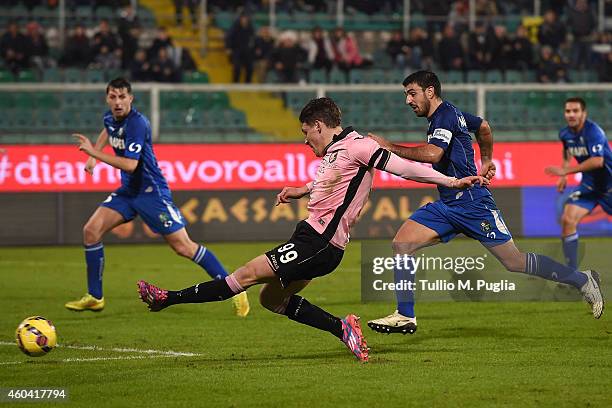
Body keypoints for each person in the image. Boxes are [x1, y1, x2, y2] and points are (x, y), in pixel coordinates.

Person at [137, 97, 489, 362]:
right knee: (271, 299)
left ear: (319, 125)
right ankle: (343, 328)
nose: (305, 140)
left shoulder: (360, 146)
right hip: (312, 240)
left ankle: (168, 298)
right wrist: (301, 190)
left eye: (306, 132)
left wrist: (452, 181)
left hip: (319, 242)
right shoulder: (335, 153)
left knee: (241, 278)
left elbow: (406, 169)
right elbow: (331, 181)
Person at [366, 71, 604, 335]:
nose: (408, 100)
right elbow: (484, 126)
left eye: (412, 93)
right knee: (402, 244)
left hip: (472, 203)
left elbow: (433, 155)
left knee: (514, 262)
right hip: (448, 204)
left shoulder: (444, 116)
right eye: (406, 94)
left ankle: (582, 279)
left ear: (429, 91)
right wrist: (487, 159)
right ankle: (405, 315)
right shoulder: (449, 114)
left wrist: (388, 146)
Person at [65, 78, 250, 317]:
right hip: (128, 192)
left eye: (123, 97)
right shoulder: (110, 118)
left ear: (131, 98)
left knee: (184, 247)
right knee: (91, 231)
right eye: (113, 97)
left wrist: (94, 154)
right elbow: (107, 129)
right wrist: (93, 156)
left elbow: (131, 165)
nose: (118, 102)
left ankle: (234, 288)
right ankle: (95, 297)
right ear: (107, 99)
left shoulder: (138, 124)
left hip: (152, 193)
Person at [544, 97, 611, 270]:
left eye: (575, 111)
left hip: (609, 186)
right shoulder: (565, 134)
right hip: (589, 187)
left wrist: (566, 171)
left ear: (584, 113)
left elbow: (597, 161)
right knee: (567, 219)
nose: (571, 114)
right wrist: (563, 176)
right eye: (568, 111)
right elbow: (567, 152)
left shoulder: (594, 132)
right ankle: (573, 273)